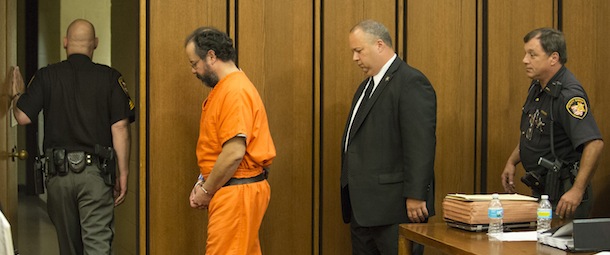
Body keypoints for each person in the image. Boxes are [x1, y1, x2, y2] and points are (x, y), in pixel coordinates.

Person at [11, 19, 135, 254]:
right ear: (95, 44)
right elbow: (120, 127)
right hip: (96, 175)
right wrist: (123, 173)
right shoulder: (110, 78)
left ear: (65, 42)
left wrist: (18, 94)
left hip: (58, 176)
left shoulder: (46, 76)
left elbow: (22, 117)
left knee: (68, 248)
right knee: (97, 246)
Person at [340, 20, 436, 255]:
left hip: (395, 209)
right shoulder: (365, 88)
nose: (355, 58)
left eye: (358, 50)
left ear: (379, 45)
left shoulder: (411, 82)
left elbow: (420, 143)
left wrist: (416, 194)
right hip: (362, 209)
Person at [184, 27, 276, 255]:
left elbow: (234, 152)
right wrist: (203, 183)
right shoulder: (227, 89)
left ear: (212, 56)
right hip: (234, 191)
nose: (193, 70)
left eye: (194, 63)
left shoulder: (234, 91)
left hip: (236, 193)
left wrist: (206, 190)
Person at [501, 28, 603, 219]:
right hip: (543, 190)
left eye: (532, 54)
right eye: (526, 53)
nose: (525, 60)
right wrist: (512, 161)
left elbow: (595, 144)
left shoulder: (569, 95)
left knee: (558, 248)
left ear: (553, 58)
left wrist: (577, 190)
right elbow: (534, 130)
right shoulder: (538, 86)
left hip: (565, 196)